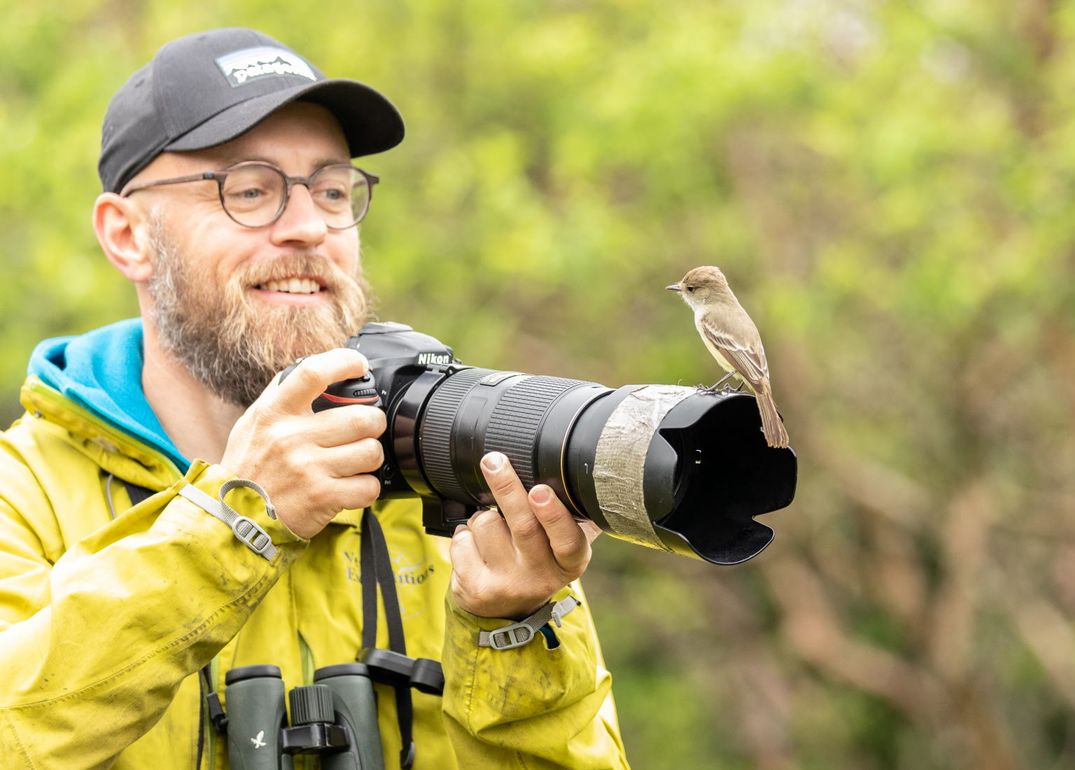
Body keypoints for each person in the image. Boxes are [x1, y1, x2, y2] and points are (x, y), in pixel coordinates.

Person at [0, 28, 628, 769]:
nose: (308, 227)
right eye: (250, 190)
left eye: (332, 190)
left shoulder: (446, 488)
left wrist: (512, 630)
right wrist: (235, 526)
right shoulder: (25, 497)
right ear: (127, 234)